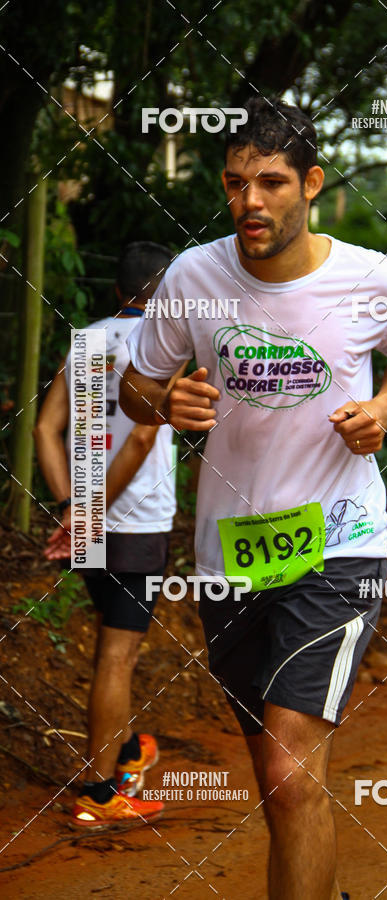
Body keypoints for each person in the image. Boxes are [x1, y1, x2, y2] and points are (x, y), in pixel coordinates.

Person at [120, 98, 387, 898]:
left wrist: (384, 410)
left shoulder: (370, 278)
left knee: (291, 773)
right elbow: (136, 385)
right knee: (278, 777)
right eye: (234, 184)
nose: (249, 202)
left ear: (312, 183)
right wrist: (165, 405)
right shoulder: (193, 276)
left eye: (270, 182)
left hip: (339, 543)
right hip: (231, 556)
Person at [34, 241, 181, 828]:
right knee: (118, 656)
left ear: (119, 290)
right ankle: (99, 794)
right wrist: (91, 511)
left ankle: (123, 753)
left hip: (88, 523)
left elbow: (46, 429)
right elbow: (143, 440)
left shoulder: (88, 341)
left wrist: (73, 504)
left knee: (108, 643)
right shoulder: (163, 348)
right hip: (136, 524)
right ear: (165, 291)